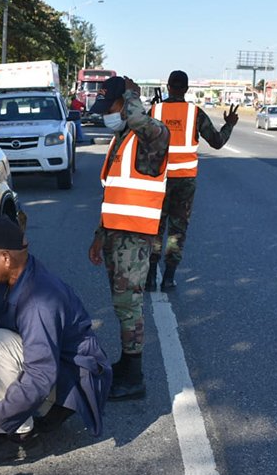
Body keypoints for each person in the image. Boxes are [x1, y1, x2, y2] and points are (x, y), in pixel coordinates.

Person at [0, 218, 112, 452]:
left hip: (70, 380)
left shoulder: (39, 302)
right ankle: (23, 409)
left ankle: (16, 435)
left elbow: (41, 373)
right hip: (47, 365)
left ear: (5, 258)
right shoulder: (5, 279)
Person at [87, 76, 170, 401]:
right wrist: (98, 236)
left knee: (129, 306)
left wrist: (132, 96)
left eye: (113, 106)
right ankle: (127, 363)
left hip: (135, 237)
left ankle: (134, 377)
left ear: (128, 102)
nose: (108, 113)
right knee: (122, 306)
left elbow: (138, 119)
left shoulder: (154, 137)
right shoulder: (122, 139)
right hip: (114, 235)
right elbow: (113, 194)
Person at [145, 70, 239, 292]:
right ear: (186, 89)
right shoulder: (195, 113)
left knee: (155, 229)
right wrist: (230, 124)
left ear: (168, 86)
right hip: (184, 182)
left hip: (158, 180)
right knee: (177, 231)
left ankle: (149, 278)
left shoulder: (154, 111)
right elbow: (216, 142)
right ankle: (168, 279)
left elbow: (140, 141)